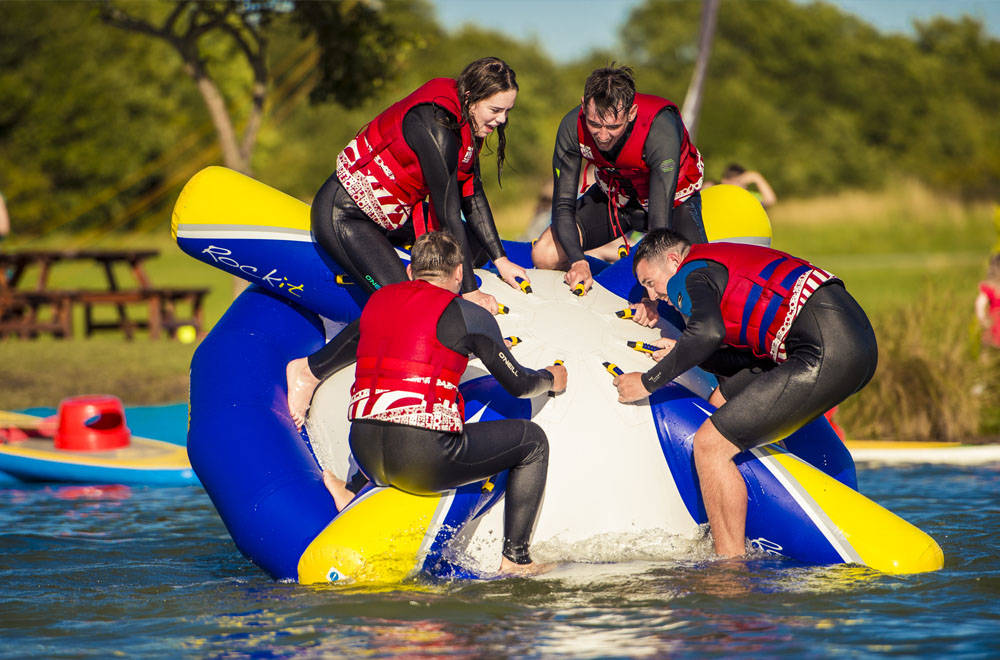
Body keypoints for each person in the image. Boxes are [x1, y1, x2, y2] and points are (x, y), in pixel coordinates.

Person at [288, 231, 567, 576]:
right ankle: (516, 559)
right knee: (532, 441)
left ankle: (354, 491)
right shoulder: (469, 315)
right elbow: (519, 384)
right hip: (422, 461)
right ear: (459, 273)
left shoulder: (377, 302)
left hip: (364, 456)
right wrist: (552, 377)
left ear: (410, 273)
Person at [613, 229, 877, 558]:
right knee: (720, 402)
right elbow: (737, 357)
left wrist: (648, 381)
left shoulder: (688, 273)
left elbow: (707, 332)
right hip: (856, 344)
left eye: (650, 282)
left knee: (710, 445)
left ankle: (729, 570)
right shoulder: (715, 268)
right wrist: (682, 349)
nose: (652, 296)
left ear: (672, 260)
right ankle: (843, 525)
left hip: (825, 349)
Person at [312, 56, 529, 315]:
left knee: (475, 244)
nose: (502, 120)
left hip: (394, 218)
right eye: (495, 111)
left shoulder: (467, 121)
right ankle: (310, 359)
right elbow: (447, 213)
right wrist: (471, 291)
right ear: (470, 97)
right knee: (409, 306)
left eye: (507, 111)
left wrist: (500, 258)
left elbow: (473, 195)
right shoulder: (437, 128)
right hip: (347, 215)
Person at [530, 64, 706, 296]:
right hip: (616, 197)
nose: (602, 136)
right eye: (594, 124)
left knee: (696, 276)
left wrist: (649, 297)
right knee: (545, 253)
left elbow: (659, 218)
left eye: (613, 126)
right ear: (584, 105)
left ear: (631, 113)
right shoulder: (572, 126)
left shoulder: (660, 126)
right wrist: (577, 261)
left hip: (671, 203)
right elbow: (563, 205)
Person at [975, 253, 1000, 350]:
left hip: (994, 327)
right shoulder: (990, 288)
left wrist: (983, 319)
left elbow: (979, 304)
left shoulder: (990, 288)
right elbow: (980, 304)